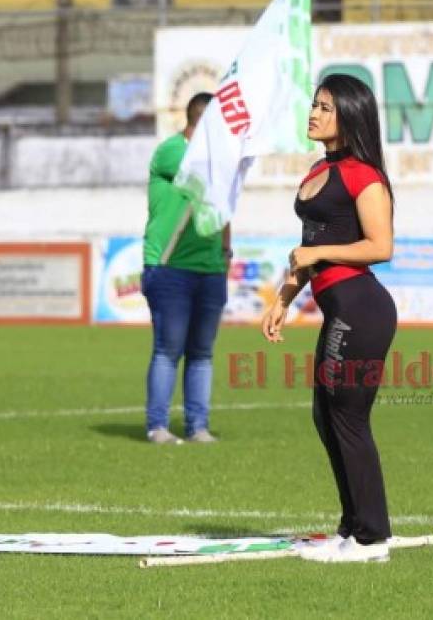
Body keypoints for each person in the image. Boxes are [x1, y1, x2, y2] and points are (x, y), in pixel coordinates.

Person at [261, 74, 398, 563]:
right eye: (314, 104)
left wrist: (314, 251)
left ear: (350, 116)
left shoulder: (364, 175)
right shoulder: (318, 171)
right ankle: (352, 527)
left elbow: (380, 246)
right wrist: (284, 297)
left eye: (325, 107)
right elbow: (309, 249)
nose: (314, 113)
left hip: (361, 307)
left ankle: (371, 538)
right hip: (337, 307)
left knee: (348, 418)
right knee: (326, 415)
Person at [142, 92, 231, 445]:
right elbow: (203, 174)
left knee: (202, 353)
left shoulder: (217, 158)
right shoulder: (173, 151)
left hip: (209, 268)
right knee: (168, 349)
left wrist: (225, 251)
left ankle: (198, 427)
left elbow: (224, 205)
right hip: (170, 267)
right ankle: (157, 426)